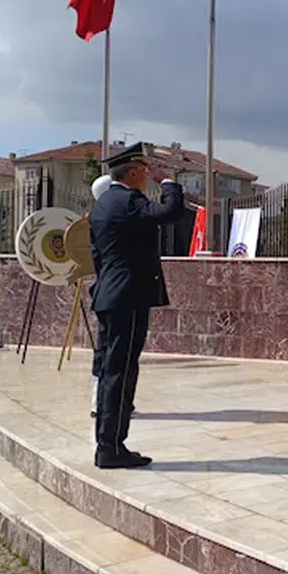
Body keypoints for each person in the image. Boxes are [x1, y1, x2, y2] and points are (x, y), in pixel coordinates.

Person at [88, 143, 185, 469]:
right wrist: (168, 183)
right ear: (131, 172)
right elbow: (171, 213)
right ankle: (111, 447)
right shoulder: (128, 201)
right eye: (144, 171)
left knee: (110, 371)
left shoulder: (102, 205)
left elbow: (98, 257)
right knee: (121, 371)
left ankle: (108, 443)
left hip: (108, 296)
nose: (148, 176)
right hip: (126, 298)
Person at [88, 173, 113, 420]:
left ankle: (99, 400)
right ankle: (101, 402)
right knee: (107, 352)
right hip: (113, 292)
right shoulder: (110, 218)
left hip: (104, 290)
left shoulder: (96, 218)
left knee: (104, 349)